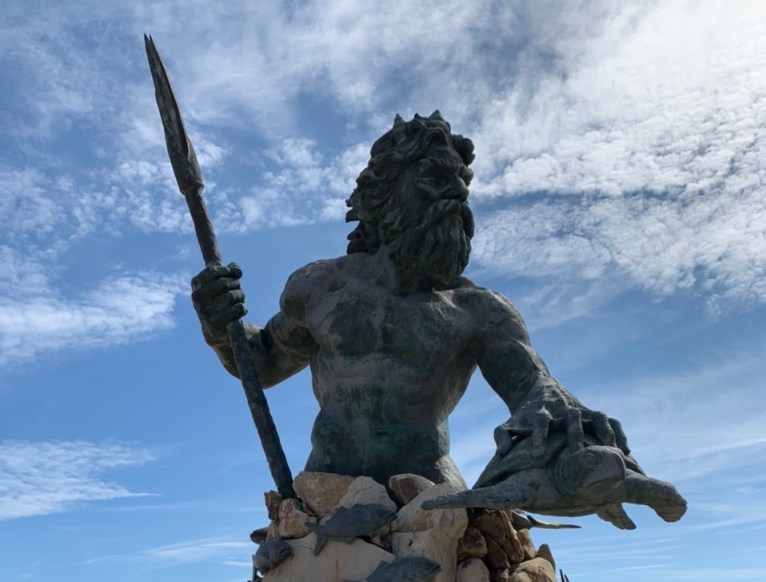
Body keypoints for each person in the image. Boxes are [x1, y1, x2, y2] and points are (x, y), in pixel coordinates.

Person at [191, 111, 686, 529]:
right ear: (385, 196)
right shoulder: (320, 288)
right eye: (435, 179)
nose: (455, 197)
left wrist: (567, 432)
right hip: (326, 490)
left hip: (429, 491)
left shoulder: (479, 311)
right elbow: (259, 365)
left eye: (461, 184)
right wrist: (219, 325)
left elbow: (531, 385)